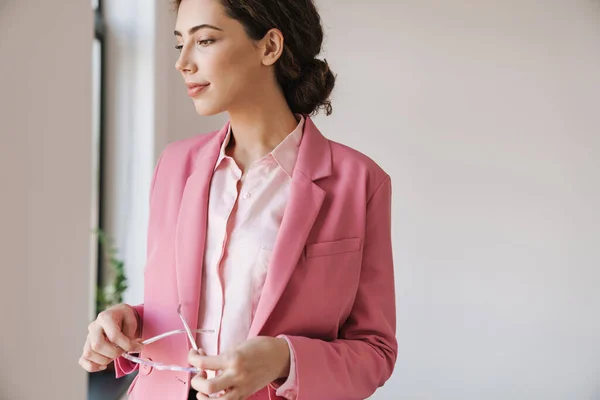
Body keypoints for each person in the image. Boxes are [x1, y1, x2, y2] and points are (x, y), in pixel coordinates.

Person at [79, 0, 397, 398]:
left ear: (269, 47)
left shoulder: (359, 182)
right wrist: (128, 322)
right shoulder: (174, 166)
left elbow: (375, 351)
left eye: (206, 40)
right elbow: (185, 313)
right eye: (181, 45)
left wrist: (283, 359)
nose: (183, 63)